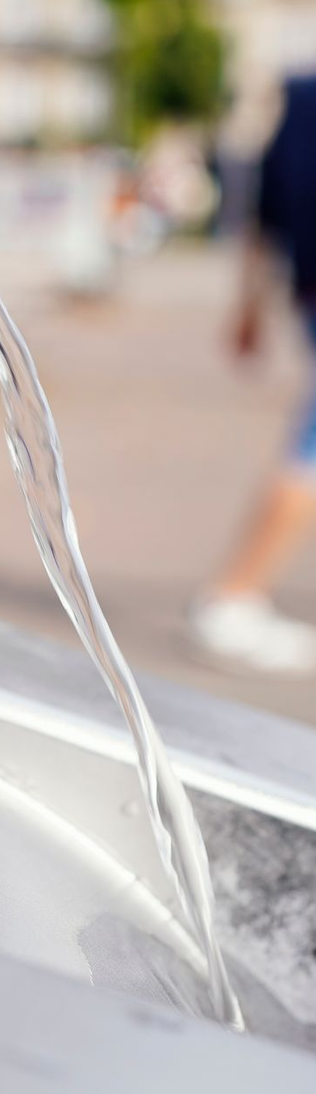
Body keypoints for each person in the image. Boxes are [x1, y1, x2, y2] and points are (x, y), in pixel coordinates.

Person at [190, 76, 316, 675]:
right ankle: (233, 596)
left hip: (309, 290)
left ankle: (235, 596)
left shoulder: (300, 102)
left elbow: (264, 222)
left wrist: (249, 307)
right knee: (311, 453)